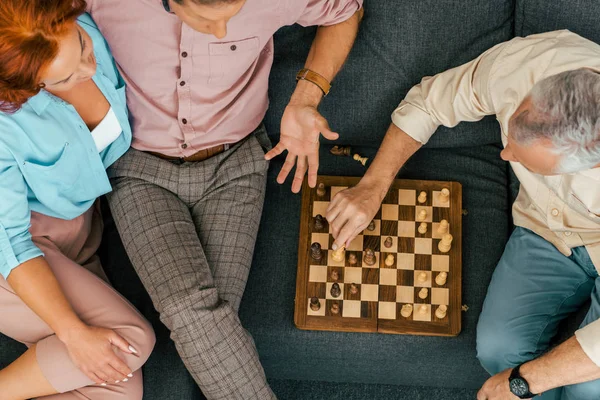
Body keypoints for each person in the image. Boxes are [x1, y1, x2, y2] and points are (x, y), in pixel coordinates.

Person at [84, 0, 363, 398]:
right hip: (140, 169)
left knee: (210, 329)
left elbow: (346, 11)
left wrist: (305, 97)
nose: (220, 32)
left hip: (236, 164)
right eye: (205, 19)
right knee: (190, 308)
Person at [326, 30, 600, 400]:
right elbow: (429, 102)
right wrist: (373, 185)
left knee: (587, 388)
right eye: (511, 137)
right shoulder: (528, 64)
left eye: (526, 161)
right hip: (545, 229)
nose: (506, 157)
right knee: (497, 351)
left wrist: (524, 383)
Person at [0, 1, 156, 399]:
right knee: (130, 341)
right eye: (67, 77)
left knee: (117, 388)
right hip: (16, 258)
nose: (90, 68)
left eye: (84, 47)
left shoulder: (84, 23)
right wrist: (72, 333)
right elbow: (12, 245)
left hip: (78, 237)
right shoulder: (6, 122)